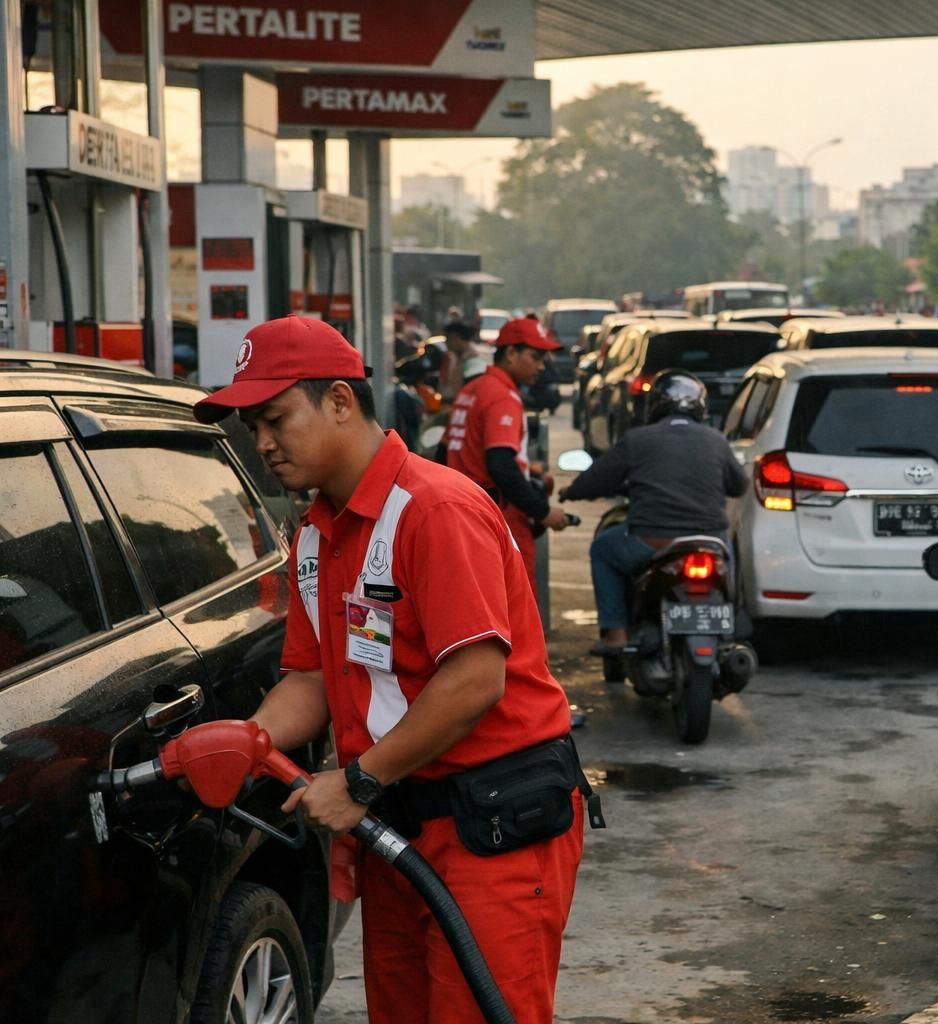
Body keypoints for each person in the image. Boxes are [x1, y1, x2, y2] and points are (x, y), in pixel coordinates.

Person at [191, 315, 596, 1024]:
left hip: (492, 825)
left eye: (276, 419)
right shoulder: (316, 533)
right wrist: (246, 740)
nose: (262, 443)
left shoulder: (434, 509)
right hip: (396, 824)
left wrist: (358, 780)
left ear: (340, 401)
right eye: (253, 426)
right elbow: (312, 679)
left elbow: (474, 680)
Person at [561, 371, 747, 653]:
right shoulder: (716, 440)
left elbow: (598, 478)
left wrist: (571, 491)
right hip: (710, 541)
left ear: (655, 405)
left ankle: (616, 634)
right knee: (730, 557)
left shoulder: (637, 439)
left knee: (602, 550)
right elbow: (739, 485)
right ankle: (732, 620)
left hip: (653, 541)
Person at [444, 318, 573, 590]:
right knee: (517, 601)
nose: (542, 366)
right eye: (536, 357)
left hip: (460, 513)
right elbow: (500, 464)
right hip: (498, 515)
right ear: (511, 353)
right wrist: (542, 511)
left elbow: (445, 452)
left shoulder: (472, 389)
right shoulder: (502, 396)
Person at [438, 320, 477, 403]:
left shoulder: (473, 361)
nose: (446, 343)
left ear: (457, 338)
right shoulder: (452, 357)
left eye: (448, 339)